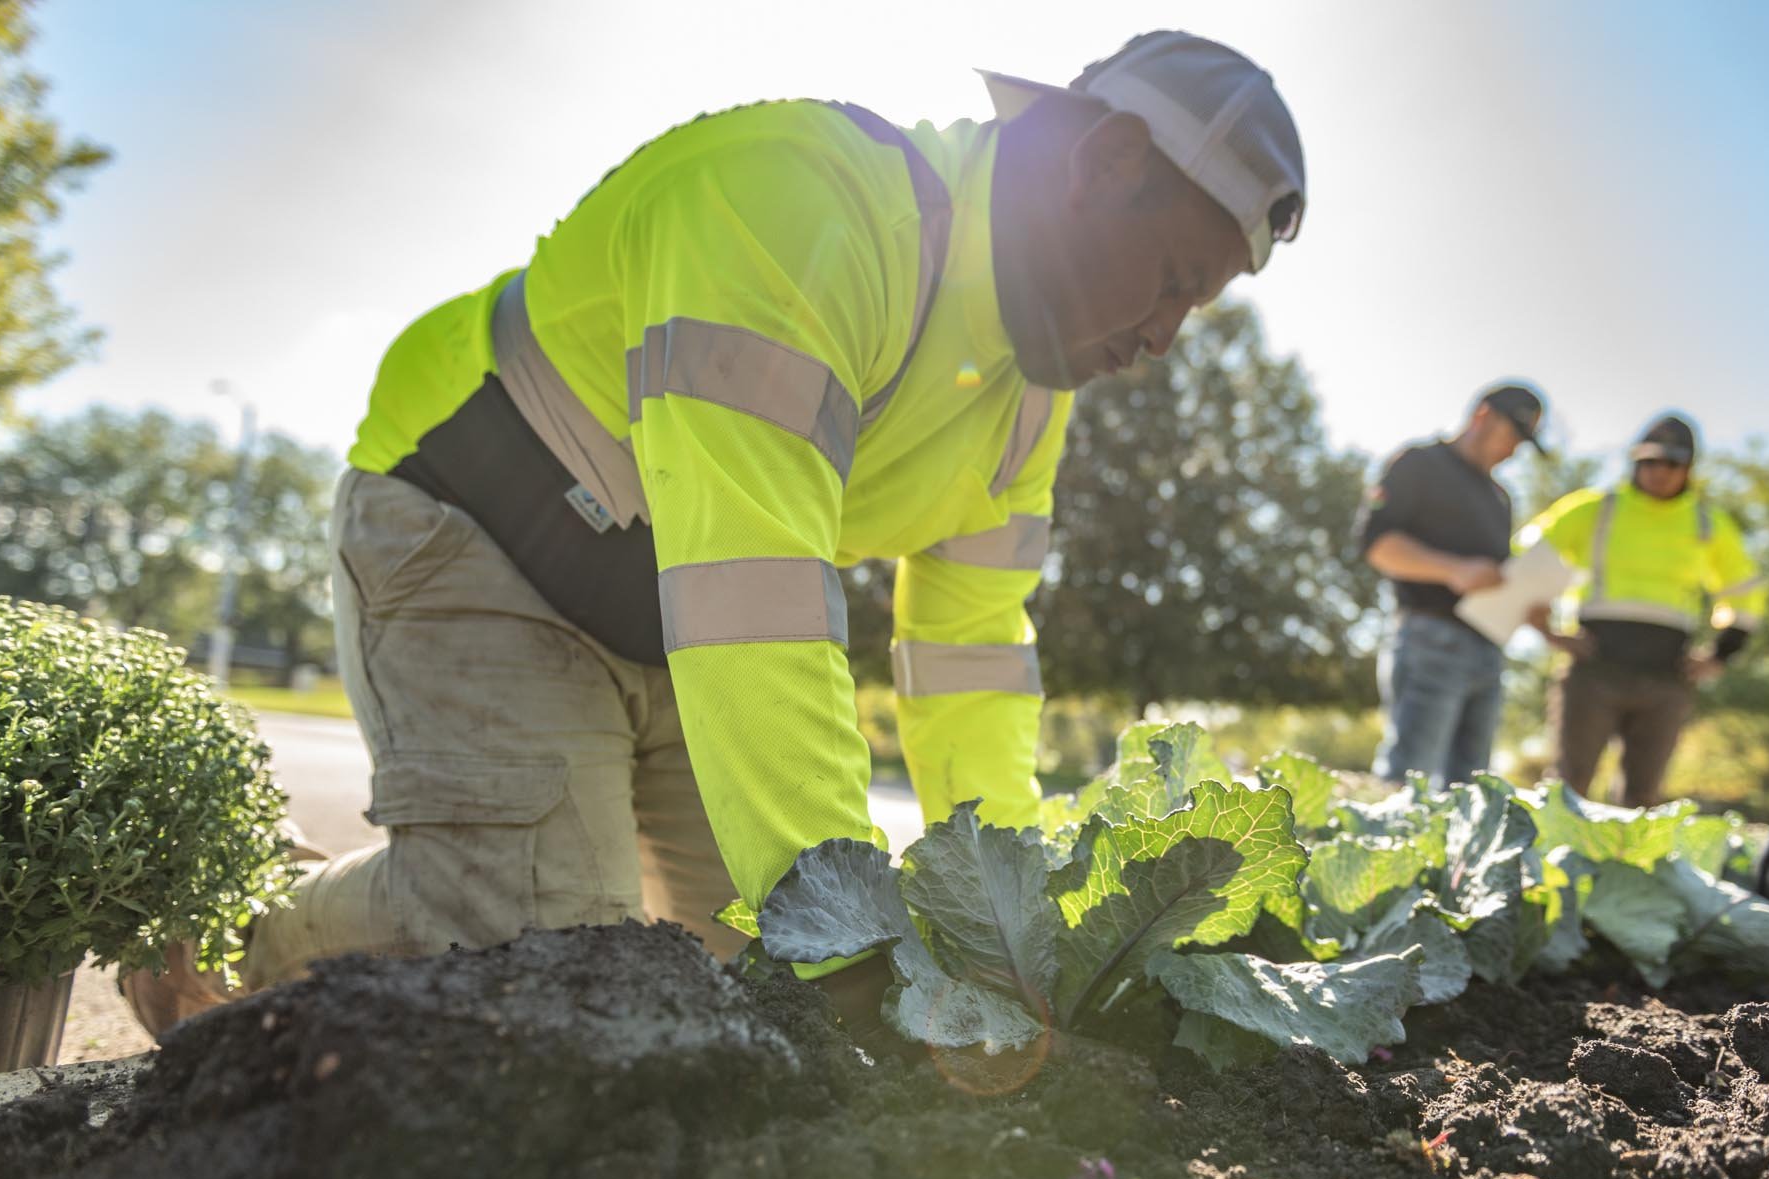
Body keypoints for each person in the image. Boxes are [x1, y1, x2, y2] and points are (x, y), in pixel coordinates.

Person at [120, 31, 1307, 1034]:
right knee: (543, 954)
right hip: (477, 521)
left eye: (1192, 310)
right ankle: (233, 926)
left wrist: (1001, 930)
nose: (1162, 339)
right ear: (1101, 163)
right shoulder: (802, 201)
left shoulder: (1028, 409)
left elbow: (972, 663)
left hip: (672, 623)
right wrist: (853, 936)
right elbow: (756, 593)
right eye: (1165, 279)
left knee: (745, 986)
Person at [1520, 414, 1767, 808]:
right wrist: (1544, 627)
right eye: (1650, 461)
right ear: (1636, 461)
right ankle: (1551, 870)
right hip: (1594, 668)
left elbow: (1745, 592)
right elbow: (1528, 554)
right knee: (1569, 785)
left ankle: (1624, 870)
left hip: (1665, 677)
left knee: (1643, 798)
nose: (1659, 472)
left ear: (1688, 468)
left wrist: (1721, 654)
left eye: (1672, 463)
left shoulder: (1708, 523)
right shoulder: (1597, 509)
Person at [1355, 383, 1548, 788]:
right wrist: (1453, 570)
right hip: (1431, 641)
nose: (1514, 449)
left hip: (1488, 652)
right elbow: (1378, 544)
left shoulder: (1500, 498)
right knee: (1411, 779)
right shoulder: (1419, 463)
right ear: (1482, 416)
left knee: (1470, 790)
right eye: (1512, 434)